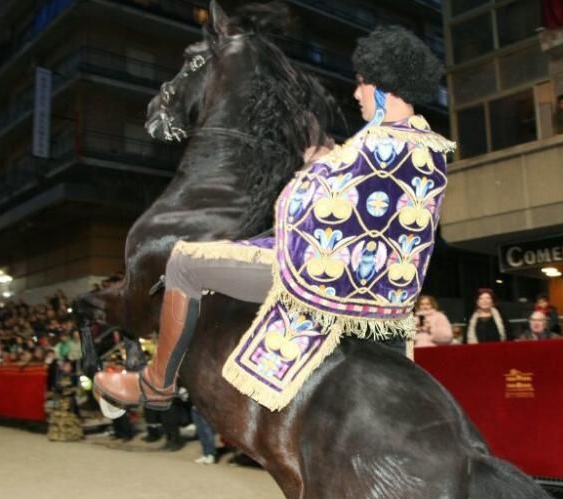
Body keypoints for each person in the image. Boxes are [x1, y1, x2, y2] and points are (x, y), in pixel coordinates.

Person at [92, 25, 453, 413]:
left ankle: (156, 383)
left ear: (383, 86)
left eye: (361, 84)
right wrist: (326, 161)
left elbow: (313, 204)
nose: (356, 93)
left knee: (183, 264)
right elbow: (365, 201)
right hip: (383, 297)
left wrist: (309, 171)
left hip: (325, 278)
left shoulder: (377, 145)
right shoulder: (425, 148)